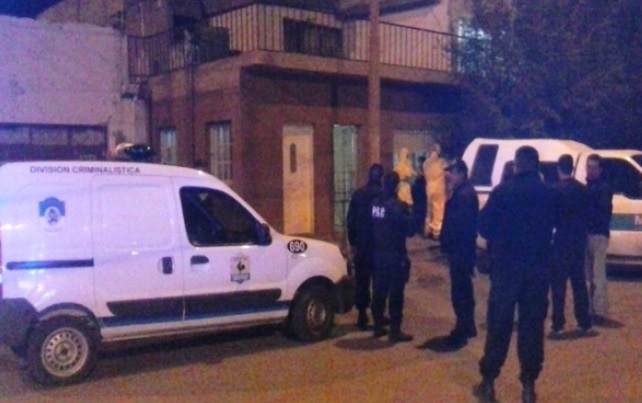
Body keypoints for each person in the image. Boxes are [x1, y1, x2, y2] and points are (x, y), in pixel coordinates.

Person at [474, 146, 557, 403]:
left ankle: (489, 382)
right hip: (537, 271)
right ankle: (529, 386)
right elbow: (556, 226)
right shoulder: (548, 193)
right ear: (537, 165)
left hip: (506, 269)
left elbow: (484, 227)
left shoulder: (502, 191)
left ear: (517, 164)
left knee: (499, 326)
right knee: (532, 328)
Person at [550, 155, 593, 336]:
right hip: (578, 240)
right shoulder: (583, 190)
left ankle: (558, 324)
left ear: (559, 168)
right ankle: (584, 322)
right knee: (579, 283)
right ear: (572, 168)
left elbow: (551, 217)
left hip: (561, 240)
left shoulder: (554, 190)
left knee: (558, 285)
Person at [371, 172, 415, 343]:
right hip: (395, 255)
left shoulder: (375, 204)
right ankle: (395, 331)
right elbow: (409, 231)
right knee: (396, 294)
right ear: (396, 186)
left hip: (378, 253)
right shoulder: (397, 207)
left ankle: (377, 326)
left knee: (379, 291)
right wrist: (410, 212)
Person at [440, 159, 479, 346]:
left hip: (460, 250)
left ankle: (462, 328)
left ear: (462, 173)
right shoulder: (463, 192)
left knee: (460, 291)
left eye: (453, 173)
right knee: (464, 289)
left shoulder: (464, 195)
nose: (449, 176)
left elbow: (458, 225)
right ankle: (467, 325)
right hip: (462, 249)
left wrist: (449, 245)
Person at [346, 164, 384, 330]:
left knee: (362, 281)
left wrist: (353, 242)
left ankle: (362, 315)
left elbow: (350, 221)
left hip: (362, 245)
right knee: (379, 283)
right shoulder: (383, 196)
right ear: (381, 177)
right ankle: (378, 316)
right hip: (379, 246)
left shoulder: (358, 195)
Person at [585, 154, 613, 323]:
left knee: (598, 276)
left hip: (598, 235)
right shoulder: (589, 187)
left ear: (600, 169)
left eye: (594, 167)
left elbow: (600, 212)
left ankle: (599, 310)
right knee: (589, 276)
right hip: (588, 234)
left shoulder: (603, 188)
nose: (590, 170)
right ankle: (591, 309)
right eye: (588, 167)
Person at [425, 144, 447, 239]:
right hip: (439, 188)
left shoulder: (426, 163)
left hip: (429, 188)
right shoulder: (441, 162)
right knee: (439, 210)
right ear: (438, 151)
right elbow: (446, 171)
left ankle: (427, 230)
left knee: (429, 210)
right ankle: (436, 232)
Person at [411, 156, 428, 235]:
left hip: (422, 195)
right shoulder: (420, 175)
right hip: (419, 196)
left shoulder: (425, 174)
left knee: (421, 213)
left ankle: (420, 229)